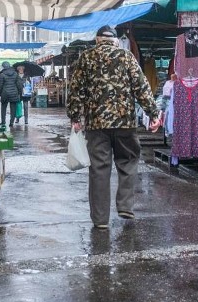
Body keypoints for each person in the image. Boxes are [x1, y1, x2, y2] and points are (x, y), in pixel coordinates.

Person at [68, 25, 160, 227]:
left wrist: (75, 116)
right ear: (116, 41)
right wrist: (153, 113)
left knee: (99, 169)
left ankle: (100, 220)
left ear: (97, 40)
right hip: (124, 123)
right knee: (127, 161)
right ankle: (125, 206)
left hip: (96, 124)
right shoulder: (127, 57)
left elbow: (76, 90)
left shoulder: (86, 57)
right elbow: (141, 87)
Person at [0, 61, 23, 128]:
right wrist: (19, 92)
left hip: (5, 93)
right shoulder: (15, 74)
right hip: (14, 93)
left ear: (4, 67)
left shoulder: (2, 74)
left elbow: (0, 85)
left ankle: (3, 122)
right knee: (13, 108)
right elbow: (19, 85)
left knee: (3, 108)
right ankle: (11, 122)